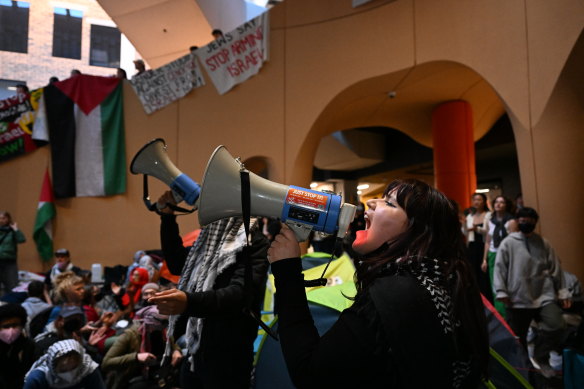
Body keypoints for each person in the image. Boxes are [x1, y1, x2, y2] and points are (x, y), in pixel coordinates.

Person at [268, 179, 489, 388]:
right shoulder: (443, 282)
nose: (371, 202)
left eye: (390, 203)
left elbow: (310, 374)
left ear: (415, 230)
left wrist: (287, 273)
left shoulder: (395, 297)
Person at [148, 190, 270, 388]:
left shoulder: (254, 243)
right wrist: (168, 218)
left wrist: (189, 302)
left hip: (229, 358)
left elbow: (238, 296)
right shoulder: (210, 243)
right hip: (196, 352)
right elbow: (178, 263)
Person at [493, 207, 571, 378]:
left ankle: (541, 356)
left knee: (556, 326)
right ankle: (522, 369)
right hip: (517, 298)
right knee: (516, 337)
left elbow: (556, 268)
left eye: (530, 221)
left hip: (544, 294)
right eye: (522, 220)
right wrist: (502, 291)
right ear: (517, 221)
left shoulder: (544, 243)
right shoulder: (508, 242)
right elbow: (499, 269)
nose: (526, 223)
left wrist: (563, 292)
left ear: (535, 222)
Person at [101, 305, 182, 389]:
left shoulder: (164, 331)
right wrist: (136, 357)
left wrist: (176, 350)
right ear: (150, 322)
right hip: (139, 376)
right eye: (163, 323)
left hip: (161, 370)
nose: (166, 326)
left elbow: (173, 344)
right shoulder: (130, 335)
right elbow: (106, 363)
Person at [481, 195, 517, 316]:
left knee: (507, 283)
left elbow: (514, 242)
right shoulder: (490, 221)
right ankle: (500, 314)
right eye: (496, 202)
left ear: (506, 205)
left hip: (507, 254)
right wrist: (484, 259)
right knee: (495, 285)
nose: (498, 204)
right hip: (493, 254)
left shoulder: (511, 221)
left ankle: (510, 313)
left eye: (502, 202)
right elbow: (487, 241)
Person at [24, 339, 105, 389]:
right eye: (63, 370)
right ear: (53, 368)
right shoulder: (38, 379)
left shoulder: (88, 369)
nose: (69, 373)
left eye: (74, 367)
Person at [0, 303, 36, 389]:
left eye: (15, 325)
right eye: (6, 326)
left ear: (22, 325)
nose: (11, 330)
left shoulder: (29, 346)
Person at [465, 193, 491, 301]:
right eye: (474, 199)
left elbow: (489, 232)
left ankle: (487, 300)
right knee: (473, 274)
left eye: (479, 199)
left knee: (484, 275)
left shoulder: (489, 215)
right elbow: (465, 232)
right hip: (472, 247)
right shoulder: (469, 216)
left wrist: (477, 229)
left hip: (484, 245)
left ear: (484, 202)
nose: (476, 202)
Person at [0, 211, 26, 296]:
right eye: (0, 218)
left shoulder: (12, 231)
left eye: (4, 218)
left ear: (8, 219)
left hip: (9, 262)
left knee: (11, 285)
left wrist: (16, 229)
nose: (1, 220)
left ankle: (10, 305)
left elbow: (22, 240)